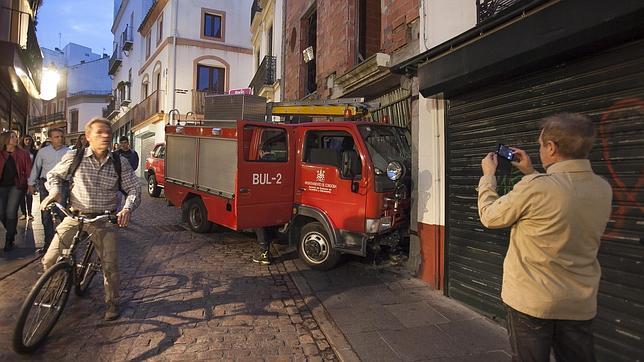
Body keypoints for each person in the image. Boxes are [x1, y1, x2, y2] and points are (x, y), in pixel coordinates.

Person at [477, 113, 612, 361]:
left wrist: (488, 177)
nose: (540, 149)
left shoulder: (537, 187)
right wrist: (530, 171)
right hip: (579, 304)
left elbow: (490, 216)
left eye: (541, 144)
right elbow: (559, 200)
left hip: (533, 302)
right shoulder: (602, 188)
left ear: (551, 147)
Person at [41, 117, 141, 321]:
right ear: (88, 137)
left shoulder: (119, 162)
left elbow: (134, 189)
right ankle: (52, 289)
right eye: (99, 133)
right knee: (50, 258)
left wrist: (127, 208)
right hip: (75, 215)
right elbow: (54, 176)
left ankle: (112, 302)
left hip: (103, 220)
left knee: (109, 265)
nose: (105, 136)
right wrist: (54, 192)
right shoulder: (74, 156)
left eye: (108, 133)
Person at [27, 128, 69, 252]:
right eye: (57, 137)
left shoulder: (69, 151)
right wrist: (31, 183)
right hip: (45, 184)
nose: (60, 139)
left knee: (62, 213)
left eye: (61, 136)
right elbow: (36, 168)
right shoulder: (43, 152)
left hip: (62, 184)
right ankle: (48, 243)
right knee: (45, 214)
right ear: (50, 139)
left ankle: (62, 243)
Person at [0, 131, 32, 252]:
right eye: (12, 137)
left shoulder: (23, 153)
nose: (15, 139)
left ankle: (9, 240)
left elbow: (29, 169)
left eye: (15, 137)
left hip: (17, 185)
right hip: (1, 186)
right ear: (5, 139)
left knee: (11, 211)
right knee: (1, 213)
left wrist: (30, 184)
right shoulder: (1, 153)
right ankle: (11, 229)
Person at [18, 135, 38, 220]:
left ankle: (29, 213)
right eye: (26, 139)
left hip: (31, 175)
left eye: (29, 140)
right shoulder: (19, 151)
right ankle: (23, 213)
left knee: (29, 194)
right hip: (21, 176)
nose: (28, 141)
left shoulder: (34, 152)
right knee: (21, 195)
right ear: (23, 140)